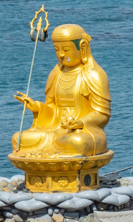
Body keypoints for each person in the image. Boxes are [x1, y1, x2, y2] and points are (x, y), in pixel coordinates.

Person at [11, 23, 111, 158]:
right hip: (54, 130)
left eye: (66, 49)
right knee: (19, 139)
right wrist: (38, 108)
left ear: (82, 47)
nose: (61, 54)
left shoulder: (94, 74)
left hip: (81, 132)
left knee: (77, 142)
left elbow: (102, 114)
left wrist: (80, 122)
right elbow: (52, 108)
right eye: (57, 49)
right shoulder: (56, 74)